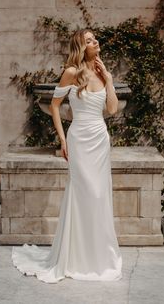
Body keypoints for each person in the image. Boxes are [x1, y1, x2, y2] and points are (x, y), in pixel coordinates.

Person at [12, 29, 123, 283]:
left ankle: (99, 258)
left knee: (100, 196)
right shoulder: (72, 73)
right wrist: (62, 140)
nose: (95, 42)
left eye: (95, 39)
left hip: (99, 139)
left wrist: (108, 78)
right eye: (89, 40)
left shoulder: (101, 72)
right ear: (81, 47)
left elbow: (113, 109)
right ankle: (75, 258)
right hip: (79, 140)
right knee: (83, 194)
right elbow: (54, 106)